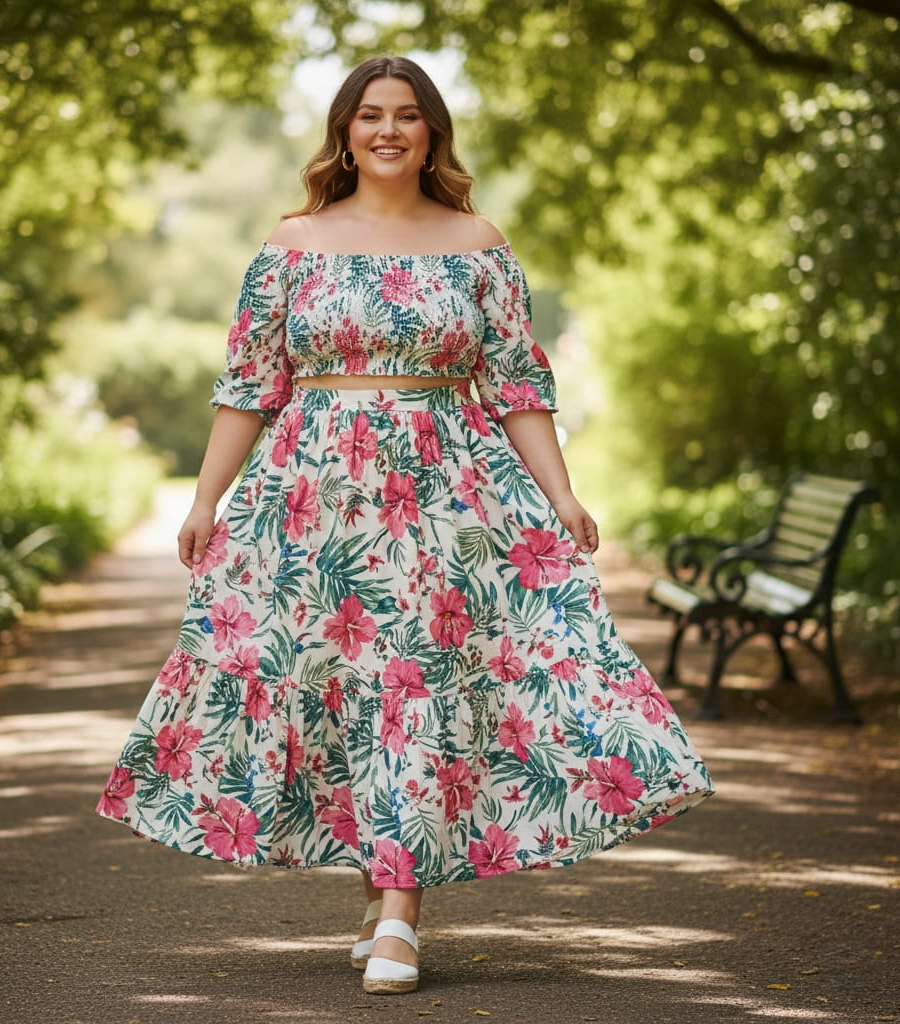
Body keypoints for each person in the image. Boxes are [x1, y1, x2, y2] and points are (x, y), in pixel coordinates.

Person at [97, 55, 714, 996]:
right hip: (312, 500)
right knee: (340, 685)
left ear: (433, 133)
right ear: (345, 130)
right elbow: (250, 382)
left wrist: (563, 496)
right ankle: (383, 876)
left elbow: (517, 384)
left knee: (417, 685)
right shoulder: (294, 240)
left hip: (445, 499)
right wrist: (204, 499)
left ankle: (400, 914)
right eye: (370, 114)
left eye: (408, 115)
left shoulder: (477, 241)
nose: (389, 130)